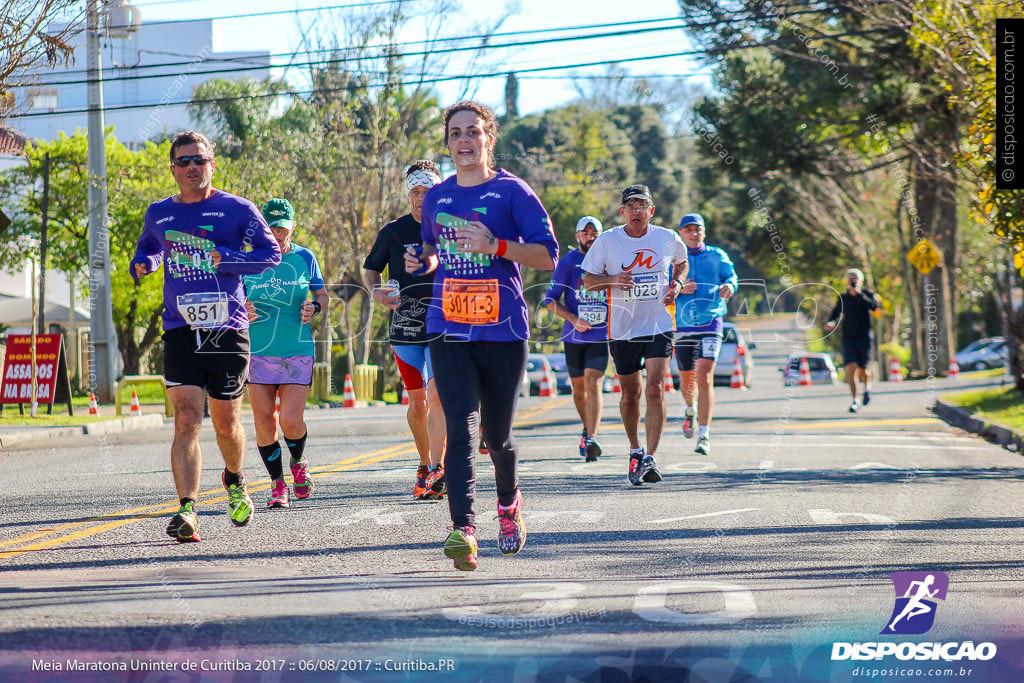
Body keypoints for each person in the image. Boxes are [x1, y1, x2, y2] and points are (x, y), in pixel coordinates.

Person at [405, 100, 558, 571]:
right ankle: (463, 529)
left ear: (489, 138)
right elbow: (434, 251)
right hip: (448, 326)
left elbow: (549, 256)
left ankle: (509, 507)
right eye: (455, 133)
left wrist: (498, 247)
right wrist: (422, 262)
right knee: (459, 430)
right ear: (448, 142)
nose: (464, 140)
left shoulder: (513, 192)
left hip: (503, 330)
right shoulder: (437, 198)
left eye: (473, 131)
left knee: (498, 437)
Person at [132, 130, 281, 542]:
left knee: (227, 422)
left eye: (199, 160)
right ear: (173, 169)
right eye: (184, 161)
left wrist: (230, 259)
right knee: (185, 418)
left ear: (212, 165)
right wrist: (142, 263)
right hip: (180, 327)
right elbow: (150, 247)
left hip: (226, 328)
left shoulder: (237, 209)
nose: (192, 167)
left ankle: (234, 479)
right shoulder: (160, 213)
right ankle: (187, 510)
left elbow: (271, 254)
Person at [581, 184, 687, 486]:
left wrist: (677, 285)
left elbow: (681, 262)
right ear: (622, 212)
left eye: (643, 205)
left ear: (651, 211)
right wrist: (613, 279)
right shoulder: (607, 241)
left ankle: (651, 456)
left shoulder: (667, 238)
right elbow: (588, 281)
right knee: (631, 394)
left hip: (659, 323)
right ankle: (635, 449)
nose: (637, 210)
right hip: (622, 328)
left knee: (655, 388)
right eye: (631, 206)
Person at [364, 161, 447, 500]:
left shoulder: (449, 230)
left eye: (427, 192)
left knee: (437, 395)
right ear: (408, 195)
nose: (420, 199)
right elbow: (371, 270)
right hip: (404, 332)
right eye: (415, 192)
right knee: (417, 403)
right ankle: (425, 466)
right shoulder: (393, 232)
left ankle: (439, 469)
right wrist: (376, 291)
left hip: (443, 329)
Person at [243, 198, 328, 508]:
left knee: (291, 421)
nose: (277, 233)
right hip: (257, 351)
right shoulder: (248, 260)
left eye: (282, 227)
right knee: (264, 421)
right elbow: (232, 300)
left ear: (293, 227)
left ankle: (298, 461)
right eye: (271, 227)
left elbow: (321, 293)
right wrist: (242, 308)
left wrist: (315, 307)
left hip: (296, 350)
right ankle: (278, 484)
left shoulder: (305, 258)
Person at [542, 216, 609, 461]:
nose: (590, 236)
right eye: (586, 233)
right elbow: (550, 300)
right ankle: (586, 428)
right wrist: (573, 319)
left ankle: (592, 437)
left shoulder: (609, 260)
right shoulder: (569, 262)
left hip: (601, 334)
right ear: (577, 236)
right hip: (574, 337)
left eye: (595, 232)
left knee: (593, 383)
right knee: (579, 390)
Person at [673, 213, 737, 456]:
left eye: (697, 229)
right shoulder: (674, 259)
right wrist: (678, 287)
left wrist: (729, 286)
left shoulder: (717, 255)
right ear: (681, 233)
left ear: (704, 232)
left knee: (704, 375)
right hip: (682, 324)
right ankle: (690, 408)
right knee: (687, 380)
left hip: (711, 320)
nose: (693, 233)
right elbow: (664, 284)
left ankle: (704, 434)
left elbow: (731, 276)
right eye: (688, 230)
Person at [824, 267, 878, 412]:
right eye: (850, 279)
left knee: (863, 370)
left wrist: (859, 294)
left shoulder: (868, 294)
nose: (852, 282)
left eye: (855, 279)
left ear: (861, 281)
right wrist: (831, 322)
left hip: (864, 337)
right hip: (848, 337)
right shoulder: (843, 298)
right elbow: (835, 312)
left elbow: (873, 307)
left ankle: (867, 389)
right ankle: (855, 400)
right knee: (850, 368)